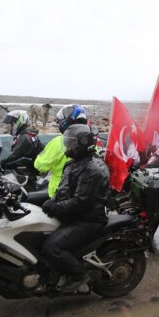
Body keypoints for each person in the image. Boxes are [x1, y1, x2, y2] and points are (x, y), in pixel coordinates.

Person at [41, 124, 109, 291]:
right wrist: (53, 200)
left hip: (88, 220)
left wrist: (54, 208)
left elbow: (80, 202)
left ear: (83, 145)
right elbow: (62, 189)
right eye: (67, 142)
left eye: (71, 143)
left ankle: (79, 274)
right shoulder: (73, 164)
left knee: (51, 247)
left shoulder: (92, 170)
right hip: (73, 215)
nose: (68, 147)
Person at [35, 105, 87, 198]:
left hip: (61, 192)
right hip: (84, 192)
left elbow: (40, 165)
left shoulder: (59, 142)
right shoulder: (91, 140)